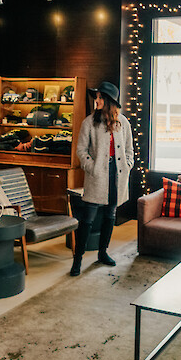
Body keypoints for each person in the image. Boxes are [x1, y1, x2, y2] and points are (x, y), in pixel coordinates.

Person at [71, 81, 134, 276]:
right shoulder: (89, 122)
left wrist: (128, 163)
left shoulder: (123, 123)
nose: (95, 100)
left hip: (117, 175)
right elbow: (81, 150)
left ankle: (103, 253)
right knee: (87, 219)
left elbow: (129, 148)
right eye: (96, 97)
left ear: (108, 101)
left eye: (99, 97)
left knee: (110, 216)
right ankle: (78, 259)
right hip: (97, 175)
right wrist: (91, 167)